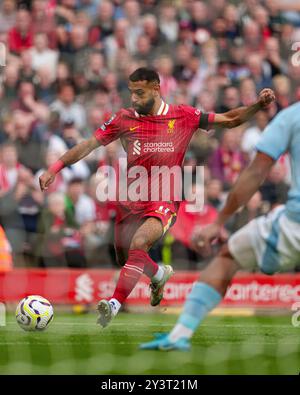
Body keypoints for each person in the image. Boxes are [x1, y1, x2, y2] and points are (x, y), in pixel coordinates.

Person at [39, 67, 275, 328]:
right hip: (131, 198)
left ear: (156, 89)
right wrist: (55, 168)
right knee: (125, 258)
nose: (134, 99)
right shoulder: (123, 119)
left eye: (139, 93)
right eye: (131, 93)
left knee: (139, 243)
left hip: (165, 199)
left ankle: (114, 304)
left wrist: (257, 105)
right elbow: (87, 145)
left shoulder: (183, 115)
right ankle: (159, 274)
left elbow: (230, 118)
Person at [139, 101, 300, 352]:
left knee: (226, 258)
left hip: (295, 225)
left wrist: (218, 222)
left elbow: (256, 173)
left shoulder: (291, 116)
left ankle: (180, 335)